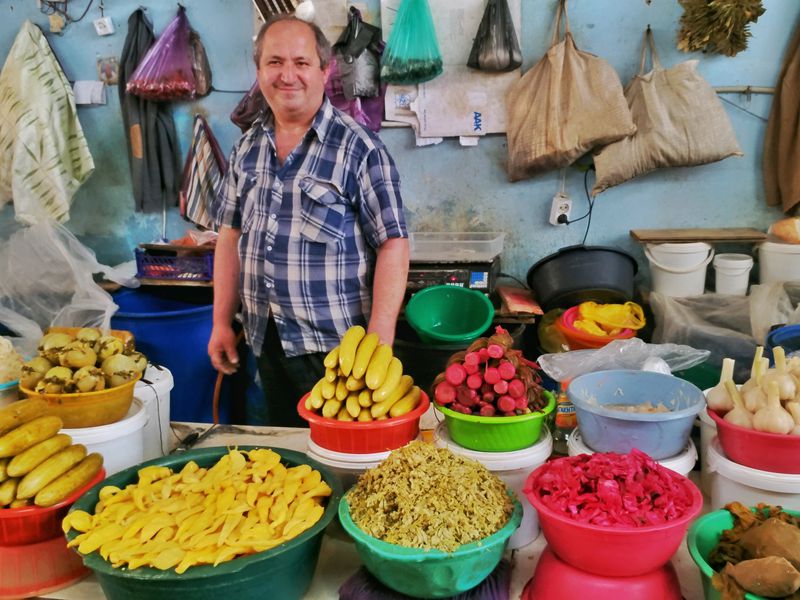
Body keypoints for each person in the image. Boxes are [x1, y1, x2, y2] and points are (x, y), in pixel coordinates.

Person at [208, 15, 409, 427]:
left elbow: (394, 243)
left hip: (337, 352)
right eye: (274, 62)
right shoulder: (247, 148)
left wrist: (379, 338)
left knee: (341, 463)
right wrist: (220, 322)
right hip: (265, 341)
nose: (287, 76)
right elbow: (229, 237)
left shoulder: (360, 148)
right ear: (259, 70)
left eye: (301, 63)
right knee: (287, 464)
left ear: (324, 69)